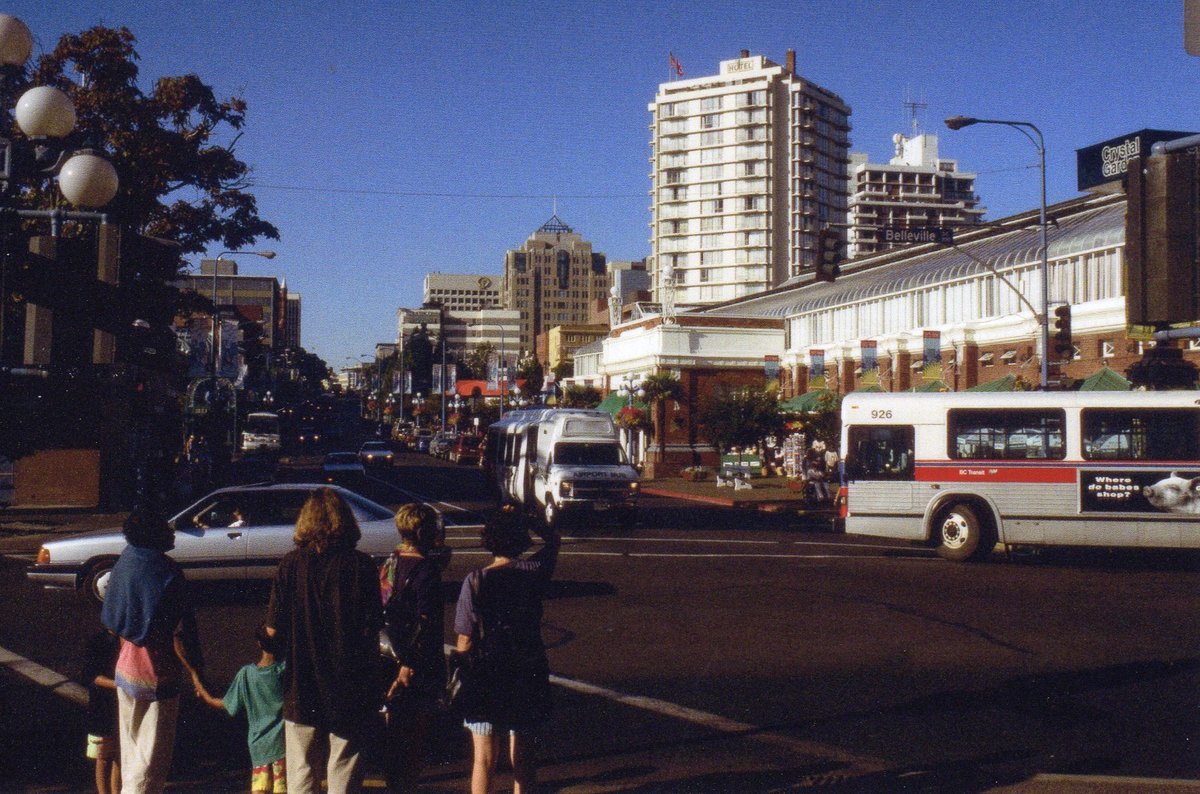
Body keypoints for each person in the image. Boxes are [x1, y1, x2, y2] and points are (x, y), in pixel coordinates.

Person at [265, 488, 383, 794]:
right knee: (344, 768)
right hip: (349, 685)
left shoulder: (290, 565)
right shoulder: (362, 566)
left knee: (302, 770)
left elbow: (273, 630)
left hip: (301, 685)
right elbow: (372, 633)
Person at [454, 506, 560, 794]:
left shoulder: (475, 581)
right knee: (524, 760)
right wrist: (528, 518)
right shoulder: (534, 573)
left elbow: (465, 640)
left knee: (484, 759)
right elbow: (553, 541)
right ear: (521, 539)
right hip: (527, 671)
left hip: (487, 674)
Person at [100, 507, 206, 794]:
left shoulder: (125, 560)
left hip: (126, 670)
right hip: (158, 675)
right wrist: (197, 675)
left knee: (133, 754)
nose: (172, 532)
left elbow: (113, 625)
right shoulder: (168, 572)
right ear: (154, 534)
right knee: (150, 767)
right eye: (166, 528)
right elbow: (180, 635)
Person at [377, 503, 447, 791]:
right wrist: (410, 664)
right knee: (416, 737)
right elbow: (425, 622)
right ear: (421, 531)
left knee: (393, 731)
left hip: (387, 653)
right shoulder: (426, 569)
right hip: (417, 662)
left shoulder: (390, 562)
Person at [194, 624, 287, 794]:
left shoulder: (246, 674)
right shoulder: (284, 670)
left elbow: (225, 704)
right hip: (283, 747)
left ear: (258, 643)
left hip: (259, 750)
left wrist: (202, 691)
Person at [81, 627, 121, 794]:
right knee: (103, 756)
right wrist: (119, 685)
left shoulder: (127, 639)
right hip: (102, 705)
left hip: (120, 704)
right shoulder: (98, 641)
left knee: (119, 755)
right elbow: (91, 675)